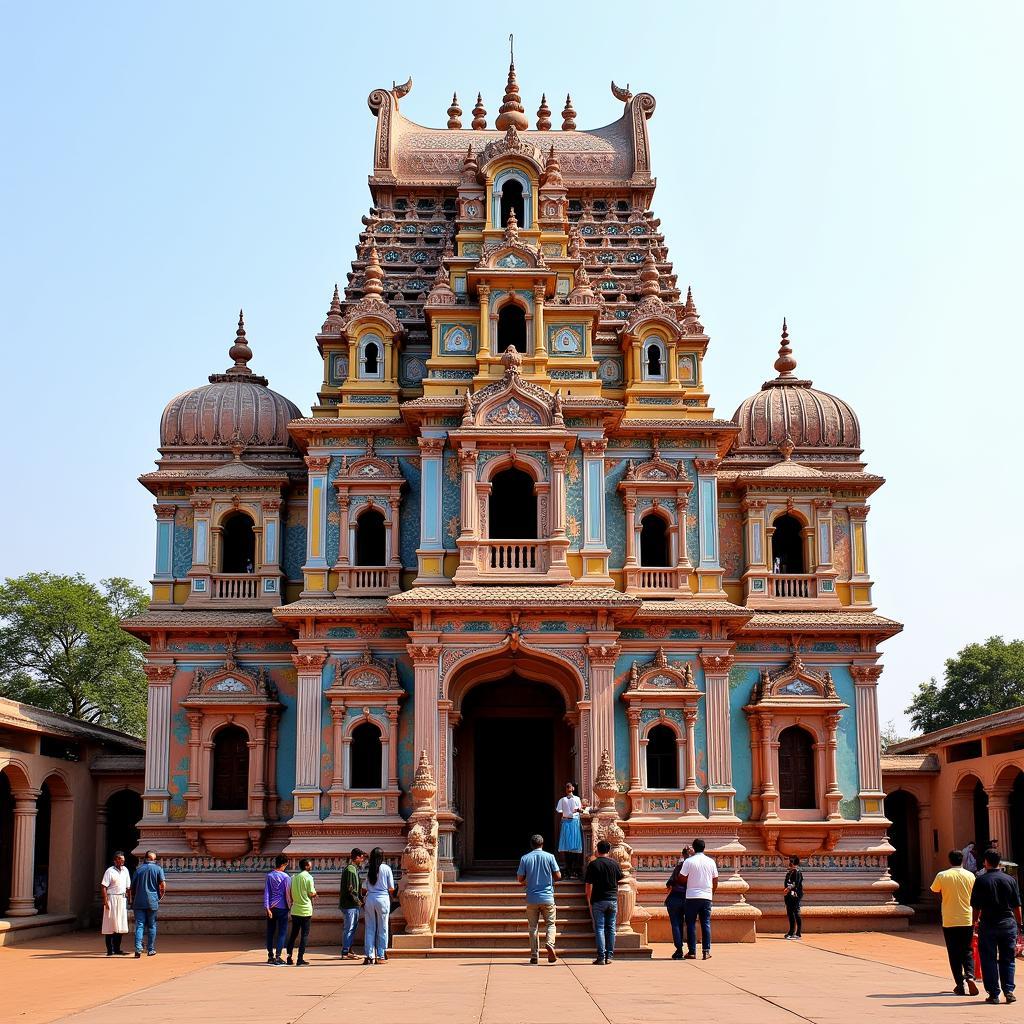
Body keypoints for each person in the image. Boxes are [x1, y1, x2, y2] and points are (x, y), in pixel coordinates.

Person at [971, 849, 1022, 1004]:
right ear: (999, 862)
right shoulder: (1010, 879)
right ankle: (1009, 990)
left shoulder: (981, 880)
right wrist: (1020, 924)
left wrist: (975, 923)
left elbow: (976, 907)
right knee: (1008, 959)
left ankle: (994, 993)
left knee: (988, 959)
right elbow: (1016, 905)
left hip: (988, 924)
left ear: (986, 861)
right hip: (1008, 923)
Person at [930, 849, 979, 995]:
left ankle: (960, 984)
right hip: (966, 917)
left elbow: (935, 890)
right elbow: (975, 895)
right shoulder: (970, 876)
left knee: (953, 952)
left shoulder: (943, 875)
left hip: (949, 918)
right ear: (962, 860)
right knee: (967, 950)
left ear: (949, 860)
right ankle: (970, 975)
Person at [517, 833, 561, 964]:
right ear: (542, 844)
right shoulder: (550, 857)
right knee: (550, 924)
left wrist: (528, 882)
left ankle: (534, 954)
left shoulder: (525, 858)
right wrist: (549, 880)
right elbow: (558, 875)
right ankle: (550, 944)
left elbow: (520, 879)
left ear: (531, 845)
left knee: (533, 926)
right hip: (547, 896)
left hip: (532, 897)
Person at [584, 839, 622, 965]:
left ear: (597, 850)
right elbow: (619, 880)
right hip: (612, 899)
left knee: (599, 928)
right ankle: (609, 955)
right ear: (608, 850)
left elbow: (588, 884)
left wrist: (589, 898)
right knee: (611, 928)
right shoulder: (614, 864)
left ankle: (601, 956)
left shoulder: (593, 865)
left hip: (598, 900)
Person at [681, 837, 718, 960]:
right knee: (705, 923)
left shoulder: (689, 861)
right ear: (704, 848)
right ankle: (706, 951)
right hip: (706, 896)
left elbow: (681, 877)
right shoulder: (711, 862)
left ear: (694, 847)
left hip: (692, 896)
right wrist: (711, 892)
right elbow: (715, 880)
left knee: (691, 924)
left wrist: (690, 880)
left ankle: (692, 951)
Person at [361, 847, 395, 965]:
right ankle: (381, 955)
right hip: (383, 899)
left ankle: (370, 956)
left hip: (370, 899)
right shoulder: (386, 868)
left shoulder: (369, 869)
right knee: (383, 927)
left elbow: (364, 888)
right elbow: (391, 887)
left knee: (370, 927)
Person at [131, 850, 166, 958]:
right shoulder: (158, 869)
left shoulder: (139, 870)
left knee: (140, 925)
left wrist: (132, 899)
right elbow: (163, 886)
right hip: (152, 900)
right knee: (151, 925)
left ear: (146, 858)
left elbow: (132, 887)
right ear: (153, 859)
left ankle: (138, 948)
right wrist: (160, 896)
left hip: (139, 901)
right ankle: (150, 949)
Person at [285, 858, 316, 966]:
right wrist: (315, 894)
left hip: (295, 910)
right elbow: (311, 892)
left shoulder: (294, 878)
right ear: (306, 866)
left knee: (293, 934)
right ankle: (300, 958)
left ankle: (289, 957)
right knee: (304, 935)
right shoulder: (309, 878)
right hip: (305, 911)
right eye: (310, 865)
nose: (311, 866)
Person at [100, 851, 131, 956]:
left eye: (123, 858)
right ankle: (109, 950)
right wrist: (105, 901)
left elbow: (128, 887)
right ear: (115, 860)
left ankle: (117, 949)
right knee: (110, 924)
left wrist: (129, 900)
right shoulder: (109, 871)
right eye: (120, 858)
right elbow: (104, 886)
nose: (122, 860)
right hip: (111, 898)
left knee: (120, 924)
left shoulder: (125, 870)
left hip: (122, 899)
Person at [664, 846, 692, 959]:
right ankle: (692, 950)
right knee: (690, 925)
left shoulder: (679, 867)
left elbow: (669, 884)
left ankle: (679, 950)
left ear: (683, 855)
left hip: (675, 898)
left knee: (676, 924)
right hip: (690, 898)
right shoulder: (695, 867)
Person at [263, 854, 291, 966]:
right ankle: (278, 956)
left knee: (270, 932)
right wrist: (290, 906)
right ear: (284, 864)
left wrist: (267, 907)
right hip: (282, 907)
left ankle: (270, 956)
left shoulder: (269, 876)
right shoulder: (286, 877)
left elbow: (267, 892)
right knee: (282, 933)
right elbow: (288, 894)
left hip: (271, 908)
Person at [339, 847, 366, 960]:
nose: (363, 859)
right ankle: (345, 951)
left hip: (352, 905)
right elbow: (351, 889)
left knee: (352, 928)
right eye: (361, 857)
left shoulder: (354, 869)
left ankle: (349, 949)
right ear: (357, 857)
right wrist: (360, 902)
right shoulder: (350, 870)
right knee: (349, 928)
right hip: (350, 904)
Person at [556, 782, 585, 879]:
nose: (568, 788)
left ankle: (574, 870)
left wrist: (577, 810)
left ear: (573, 788)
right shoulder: (562, 799)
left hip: (574, 822)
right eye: (567, 786)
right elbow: (559, 810)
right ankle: (568, 869)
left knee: (575, 846)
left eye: (570, 786)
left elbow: (579, 809)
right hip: (566, 822)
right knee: (566, 846)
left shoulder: (577, 799)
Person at [783, 856, 804, 940]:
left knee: (795, 913)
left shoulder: (797, 872)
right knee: (790, 913)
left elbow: (796, 884)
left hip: (795, 895)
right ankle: (791, 931)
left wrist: (788, 889)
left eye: (789, 862)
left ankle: (798, 933)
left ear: (792, 863)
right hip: (789, 895)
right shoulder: (789, 872)